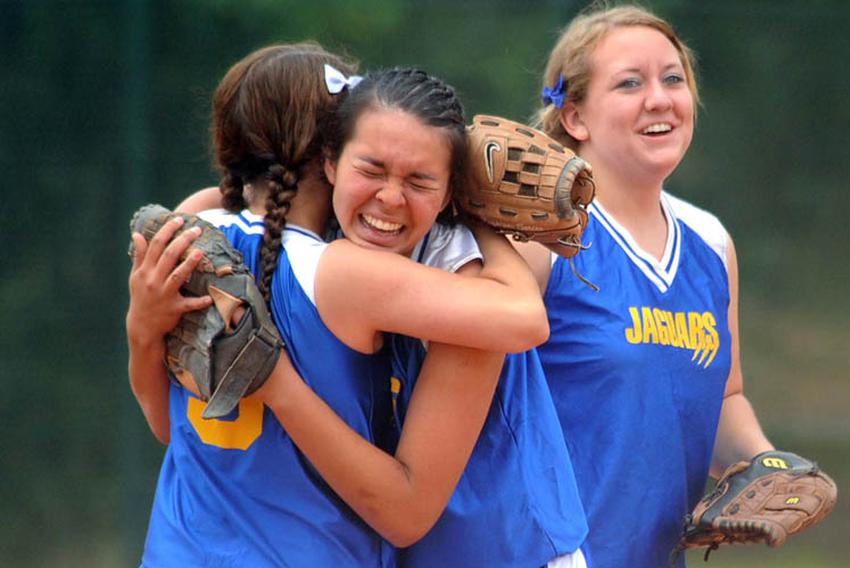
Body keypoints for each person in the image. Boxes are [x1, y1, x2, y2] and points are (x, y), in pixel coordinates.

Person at [127, 45, 560, 566]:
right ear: (330, 154)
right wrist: (475, 211)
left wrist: (141, 327)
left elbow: (168, 427)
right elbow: (525, 318)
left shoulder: (191, 231)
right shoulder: (345, 272)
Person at [513, 5, 775, 566]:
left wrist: (765, 467)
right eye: (630, 83)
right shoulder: (539, 235)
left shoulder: (711, 242)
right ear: (576, 117)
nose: (660, 98)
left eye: (673, 79)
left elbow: (721, 397)